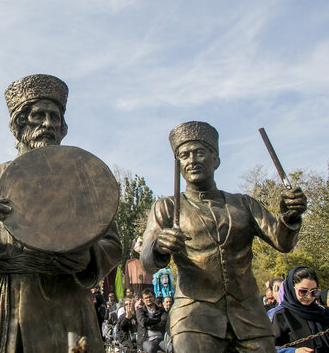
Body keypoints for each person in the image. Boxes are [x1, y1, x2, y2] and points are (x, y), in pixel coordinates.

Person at [0, 74, 122, 352]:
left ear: (63, 126)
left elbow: (112, 243)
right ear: (19, 123)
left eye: (55, 117)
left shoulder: (83, 179)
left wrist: (88, 256)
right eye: (39, 116)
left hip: (68, 307)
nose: (48, 124)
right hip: (4, 308)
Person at [141, 121, 307, 352]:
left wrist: (290, 216)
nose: (192, 160)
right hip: (194, 317)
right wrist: (158, 246)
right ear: (178, 165)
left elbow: (283, 242)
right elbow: (147, 261)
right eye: (184, 155)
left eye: (199, 152)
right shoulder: (167, 207)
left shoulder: (244, 204)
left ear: (216, 159)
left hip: (249, 316)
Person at [272, 266, 329, 353]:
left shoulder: (323, 312)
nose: (309, 296)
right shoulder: (281, 316)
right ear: (291, 288)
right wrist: (293, 351)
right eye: (303, 291)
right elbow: (267, 347)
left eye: (314, 292)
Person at [136, 288, 166, 353]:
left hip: (161, 339)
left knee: (170, 348)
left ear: (154, 297)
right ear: (143, 300)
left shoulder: (161, 310)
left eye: (150, 297)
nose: (148, 299)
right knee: (151, 349)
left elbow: (163, 323)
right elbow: (143, 322)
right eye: (146, 298)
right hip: (147, 340)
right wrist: (157, 320)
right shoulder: (140, 311)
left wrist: (151, 327)